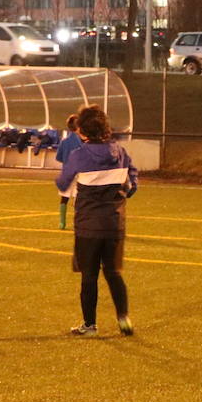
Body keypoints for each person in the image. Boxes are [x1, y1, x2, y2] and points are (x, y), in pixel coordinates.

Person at [56, 106, 137, 336]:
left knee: (89, 275)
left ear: (82, 131)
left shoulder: (79, 155)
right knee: (113, 272)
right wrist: (125, 192)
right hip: (114, 223)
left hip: (87, 226)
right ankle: (123, 319)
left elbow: (63, 183)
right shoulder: (119, 151)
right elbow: (133, 176)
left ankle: (90, 325)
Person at [55, 113, 81, 229]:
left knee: (64, 197)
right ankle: (77, 223)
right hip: (80, 172)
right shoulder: (83, 141)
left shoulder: (64, 141)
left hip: (67, 172)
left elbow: (59, 158)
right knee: (79, 198)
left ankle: (62, 223)